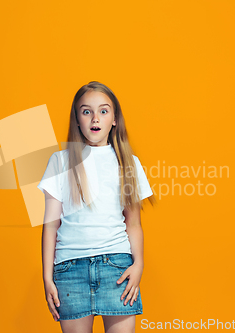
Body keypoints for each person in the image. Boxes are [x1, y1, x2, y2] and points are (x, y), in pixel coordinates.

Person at [37, 81, 156, 333]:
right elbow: (50, 226)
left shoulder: (128, 162)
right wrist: (47, 277)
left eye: (103, 111)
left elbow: (133, 223)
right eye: (86, 111)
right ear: (77, 119)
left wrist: (139, 265)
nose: (95, 118)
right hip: (70, 270)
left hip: (117, 268)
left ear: (114, 119)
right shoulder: (60, 161)